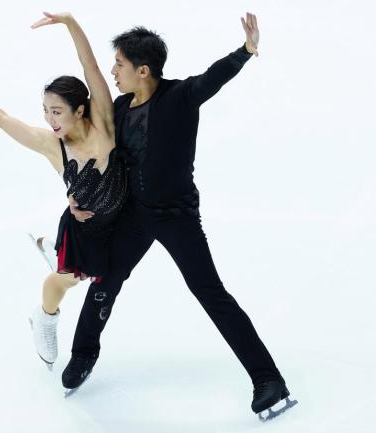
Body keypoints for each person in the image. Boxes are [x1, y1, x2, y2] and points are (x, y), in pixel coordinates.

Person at [63, 13, 297, 420]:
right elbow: (93, 151)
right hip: (134, 214)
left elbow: (213, 77)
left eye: (119, 64)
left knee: (210, 292)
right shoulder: (120, 107)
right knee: (106, 280)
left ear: (143, 70)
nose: (114, 71)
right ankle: (83, 353)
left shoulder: (180, 97)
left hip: (176, 217)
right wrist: (74, 194)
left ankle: (268, 379)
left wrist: (245, 50)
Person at [0, 12, 127, 369]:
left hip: (121, 221)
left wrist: (71, 23)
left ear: (81, 110)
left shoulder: (104, 122)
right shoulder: (52, 145)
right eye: (46, 111)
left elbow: (90, 65)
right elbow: (1, 118)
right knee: (66, 281)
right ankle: (44, 317)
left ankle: (51, 249)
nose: (50, 120)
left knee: (101, 274)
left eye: (57, 111)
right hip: (84, 231)